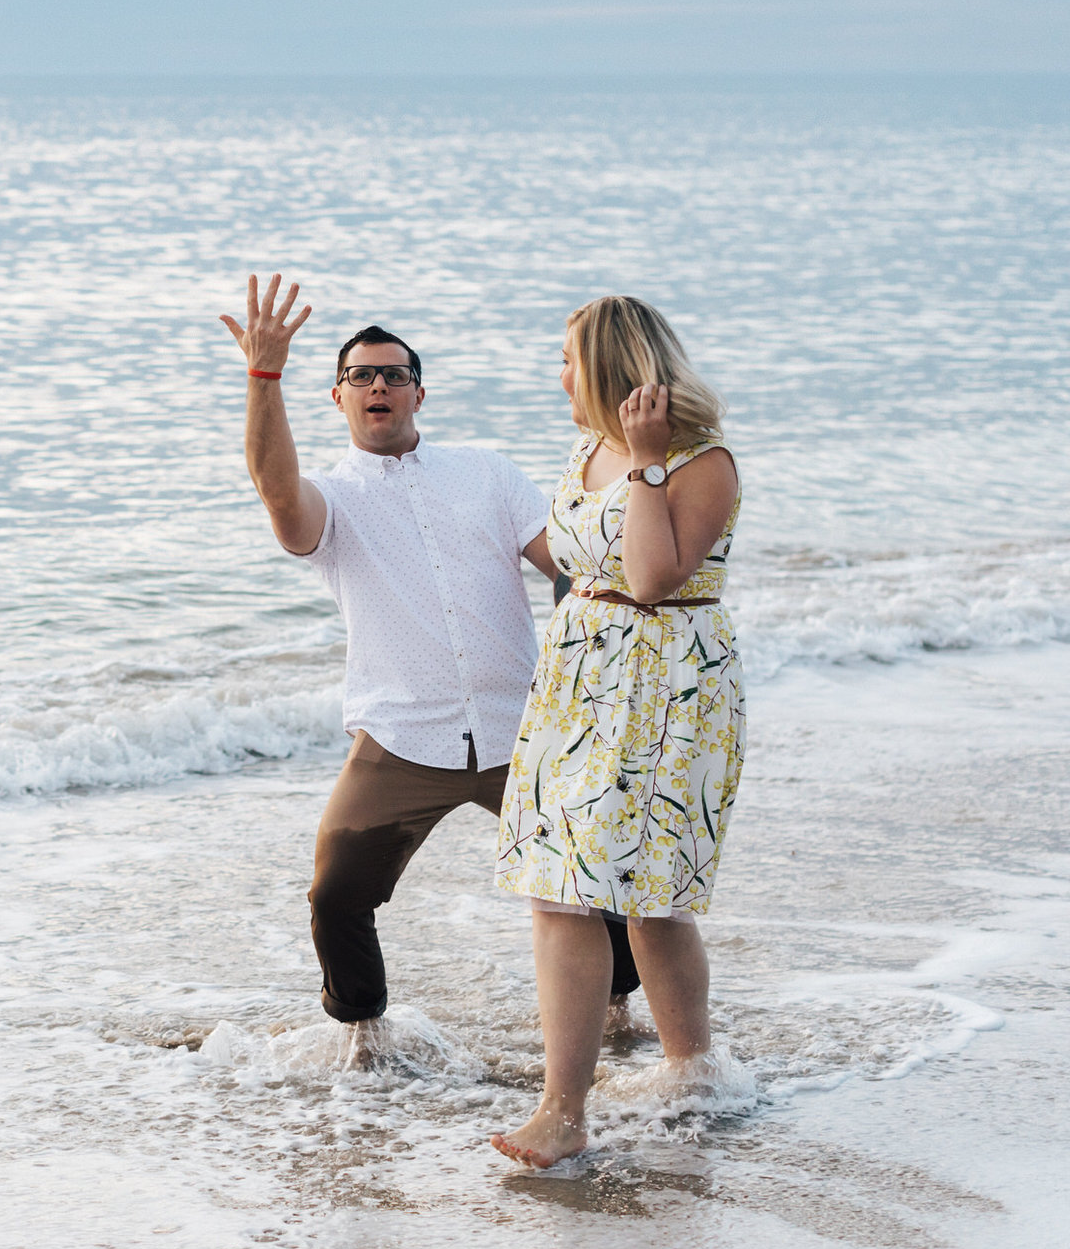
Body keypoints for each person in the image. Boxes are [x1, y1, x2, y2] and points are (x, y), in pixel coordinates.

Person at [218, 274, 638, 1063]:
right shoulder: (334, 500)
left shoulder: (486, 472)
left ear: (420, 393)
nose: (379, 385)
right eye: (360, 376)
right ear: (337, 398)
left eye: (395, 374)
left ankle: (618, 1013)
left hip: (523, 728)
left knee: (591, 877)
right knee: (337, 892)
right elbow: (278, 494)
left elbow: (567, 561)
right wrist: (262, 376)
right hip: (401, 737)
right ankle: (364, 1037)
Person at [489, 295, 745, 1169]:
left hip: (666, 694)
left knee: (644, 895)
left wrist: (643, 463)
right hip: (579, 687)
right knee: (562, 884)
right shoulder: (585, 452)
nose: (557, 375)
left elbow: (648, 577)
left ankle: (611, 1098)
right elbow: (571, 567)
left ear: (609, 367)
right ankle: (675, 1082)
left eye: (567, 359)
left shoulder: (700, 463)